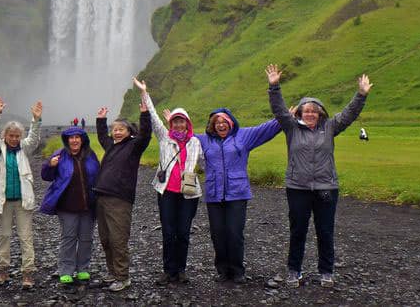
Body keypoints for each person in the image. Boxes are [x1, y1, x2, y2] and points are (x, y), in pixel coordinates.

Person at [266, 64, 372, 288]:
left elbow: (349, 114)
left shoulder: (330, 127)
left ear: (321, 113)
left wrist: (361, 95)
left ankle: (326, 272)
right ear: (300, 113)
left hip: (326, 188)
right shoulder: (292, 127)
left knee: (325, 231)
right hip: (297, 188)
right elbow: (278, 110)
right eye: (307, 111)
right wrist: (274, 86)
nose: (311, 114)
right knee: (298, 231)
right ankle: (294, 271)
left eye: (315, 111)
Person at [193, 93, 281, 285]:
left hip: (237, 193)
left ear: (231, 122)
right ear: (212, 126)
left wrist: (283, 115)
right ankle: (223, 270)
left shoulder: (244, 136)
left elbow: (268, 128)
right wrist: (173, 120)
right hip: (214, 194)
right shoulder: (203, 140)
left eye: (224, 121)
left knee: (234, 232)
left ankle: (237, 270)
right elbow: (181, 136)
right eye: (216, 122)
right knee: (217, 233)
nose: (220, 125)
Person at [133, 77, 203, 285]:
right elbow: (154, 117)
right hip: (166, 192)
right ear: (171, 123)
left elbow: (210, 162)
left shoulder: (195, 142)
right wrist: (145, 93)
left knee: (183, 233)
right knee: (168, 231)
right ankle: (168, 270)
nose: (179, 124)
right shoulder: (165, 137)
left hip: (189, 193)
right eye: (176, 121)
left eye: (182, 121)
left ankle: (180, 270)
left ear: (187, 123)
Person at [93, 93, 152, 292]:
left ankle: (123, 277)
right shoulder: (110, 145)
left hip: (120, 199)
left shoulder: (134, 146)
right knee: (106, 238)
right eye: (114, 129)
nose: (117, 132)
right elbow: (102, 136)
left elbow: (145, 135)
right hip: (101, 196)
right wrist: (101, 120)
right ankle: (112, 273)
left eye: (121, 129)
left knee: (118, 239)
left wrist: (145, 114)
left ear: (129, 132)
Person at [0, 97, 43, 289]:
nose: (14, 138)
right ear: (5, 136)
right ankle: (3, 271)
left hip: (23, 201)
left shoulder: (24, 150)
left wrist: (36, 120)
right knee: (4, 236)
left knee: (26, 237)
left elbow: (34, 139)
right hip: (3, 202)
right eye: (11, 135)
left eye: (17, 136)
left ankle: (27, 274)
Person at [40, 127, 101, 286]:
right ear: (67, 140)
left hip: (88, 205)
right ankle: (66, 271)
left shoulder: (90, 155)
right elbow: (46, 176)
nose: (74, 140)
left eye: (77, 137)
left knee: (86, 239)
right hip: (66, 206)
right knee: (68, 238)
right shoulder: (60, 154)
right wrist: (50, 165)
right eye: (71, 138)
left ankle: (83, 269)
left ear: (82, 139)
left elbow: (99, 175)